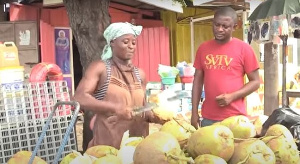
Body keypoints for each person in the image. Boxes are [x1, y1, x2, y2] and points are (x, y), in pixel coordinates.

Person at [74, 22, 162, 150]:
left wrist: (154, 115)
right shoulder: (101, 68)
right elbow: (79, 97)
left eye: (133, 42)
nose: (131, 46)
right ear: (112, 43)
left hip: (138, 149)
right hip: (108, 149)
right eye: (125, 42)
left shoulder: (140, 74)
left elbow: (143, 108)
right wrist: (115, 108)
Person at [191, 7, 260, 129]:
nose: (219, 29)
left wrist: (232, 96)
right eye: (216, 25)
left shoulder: (244, 49)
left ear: (234, 27)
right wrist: (194, 112)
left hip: (235, 119)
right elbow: (197, 82)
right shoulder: (203, 48)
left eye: (225, 26)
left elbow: (255, 82)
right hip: (208, 118)